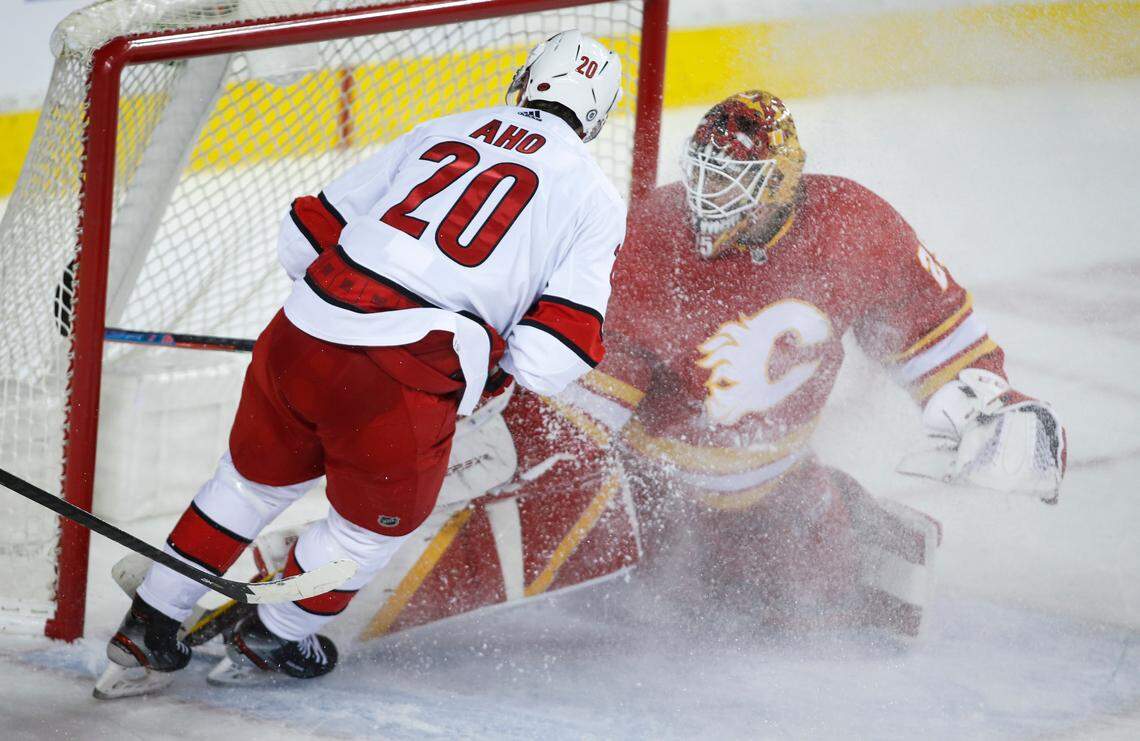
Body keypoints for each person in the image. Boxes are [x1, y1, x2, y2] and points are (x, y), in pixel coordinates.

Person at [96, 29, 627, 698]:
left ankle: (148, 623)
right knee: (368, 532)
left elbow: (302, 238)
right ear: (598, 117)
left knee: (246, 486)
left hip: (298, 335)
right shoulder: (594, 196)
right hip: (403, 377)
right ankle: (272, 635)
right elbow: (553, 357)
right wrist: (489, 361)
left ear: (524, 81)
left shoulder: (443, 126)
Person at [540, 90, 1068, 634]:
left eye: (726, 179)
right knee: (637, 616)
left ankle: (864, 526)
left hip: (780, 489)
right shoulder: (651, 236)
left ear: (777, 183)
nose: (703, 195)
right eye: (701, 173)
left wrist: (994, 404)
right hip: (652, 495)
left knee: (840, 625)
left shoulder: (853, 226)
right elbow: (590, 401)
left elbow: (931, 328)